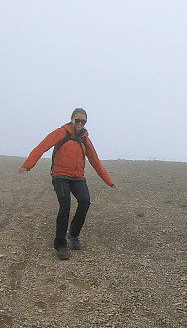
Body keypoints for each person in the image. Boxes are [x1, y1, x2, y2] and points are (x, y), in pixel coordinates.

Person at [18, 108, 116, 260]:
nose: (80, 123)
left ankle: (74, 235)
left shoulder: (85, 139)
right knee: (65, 205)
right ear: (72, 119)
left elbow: (95, 160)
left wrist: (108, 181)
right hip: (60, 176)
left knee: (85, 202)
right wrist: (28, 165)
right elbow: (42, 146)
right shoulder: (61, 133)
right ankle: (61, 245)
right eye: (77, 120)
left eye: (83, 121)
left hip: (78, 177)